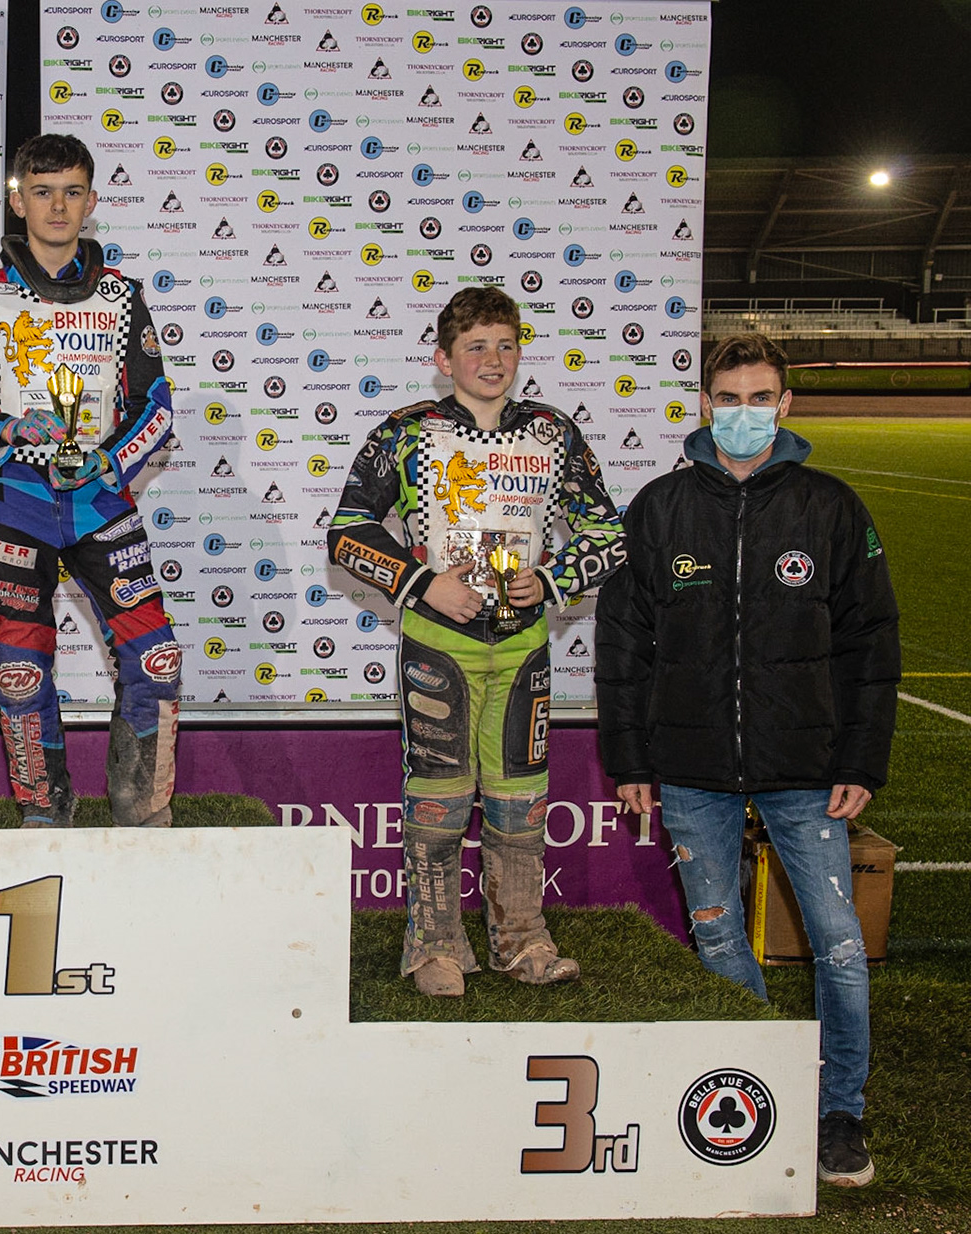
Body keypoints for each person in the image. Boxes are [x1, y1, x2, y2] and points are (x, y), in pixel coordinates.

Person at [596, 332, 899, 1188]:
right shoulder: (657, 508)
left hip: (807, 770)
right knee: (720, 939)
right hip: (691, 772)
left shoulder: (832, 508)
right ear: (703, 404)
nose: (742, 413)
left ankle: (840, 1112)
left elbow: (871, 644)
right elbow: (623, 648)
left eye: (759, 397)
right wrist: (630, 759)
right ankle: (761, 1092)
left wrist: (862, 760)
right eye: (727, 399)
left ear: (786, 405)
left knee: (840, 944)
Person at [328, 286, 627, 997]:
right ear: (443, 358)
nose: (492, 360)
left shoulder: (554, 431)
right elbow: (346, 532)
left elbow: (608, 532)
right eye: (475, 347)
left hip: (522, 647)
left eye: (505, 344)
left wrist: (552, 582)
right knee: (440, 798)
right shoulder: (403, 431)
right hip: (440, 644)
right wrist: (422, 583)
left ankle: (523, 940)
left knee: (521, 799)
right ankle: (433, 946)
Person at [0, 134, 179, 827]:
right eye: (42, 191)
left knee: (156, 660)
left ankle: (141, 821)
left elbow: (156, 407)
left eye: (70, 192)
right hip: (13, 504)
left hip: (100, 502)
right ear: (17, 200)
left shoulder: (124, 297)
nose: (57, 205)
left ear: (91, 203)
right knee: (22, 669)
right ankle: (45, 815)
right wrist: (4, 432)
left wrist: (110, 460)